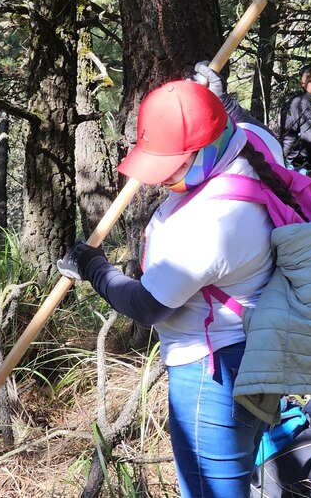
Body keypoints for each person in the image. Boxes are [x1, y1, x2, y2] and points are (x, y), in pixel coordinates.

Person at [57, 80, 294, 496]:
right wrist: (221, 103)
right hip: (258, 352)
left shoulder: (213, 222)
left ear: (209, 146)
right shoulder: (254, 149)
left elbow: (148, 306)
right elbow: (250, 126)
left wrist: (94, 267)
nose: (161, 179)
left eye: (174, 165)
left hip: (214, 374)